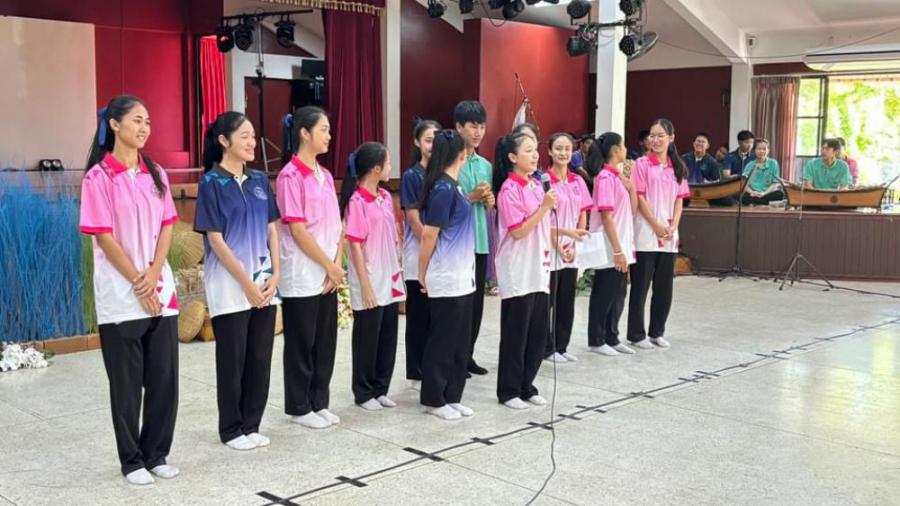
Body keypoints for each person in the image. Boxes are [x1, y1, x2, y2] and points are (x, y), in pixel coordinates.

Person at [80, 95, 180, 485]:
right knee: (126, 384)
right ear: (114, 125)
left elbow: (168, 224)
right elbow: (104, 237)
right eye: (137, 120)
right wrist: (139, 281)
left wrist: (154, 273)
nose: (144, 128)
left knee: (164, 379)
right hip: (121, 294)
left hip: (160, 289)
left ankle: (156, 454)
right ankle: (132, 461)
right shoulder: (98, 178)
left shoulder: (156, 173)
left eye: (148, 122)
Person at [195, 112, 281, 451]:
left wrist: (276, 273)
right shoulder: (211, 183)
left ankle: (251, 424)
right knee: (233, 359)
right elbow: (215, 239)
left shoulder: (259, 180)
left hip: (264, 282)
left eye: (253, 136)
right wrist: (246, 283)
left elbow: (272, 229)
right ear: (224, 141)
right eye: (244, 136)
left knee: (260, 356)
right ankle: (231, 430)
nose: (251, 142)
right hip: (230, 286)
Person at [277, 106, 343, 430]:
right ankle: (299, 406)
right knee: (301, 342)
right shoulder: (290, 176)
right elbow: (298, 230)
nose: (329, 136)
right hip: (303, 272)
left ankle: (319, 401)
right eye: (323, 130)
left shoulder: (325, 175)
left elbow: (337, 225)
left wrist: (336, 265)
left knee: (325, 340)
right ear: (304, 133)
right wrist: (329, 265)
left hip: (328, 272)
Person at [492, 132, 556, 410]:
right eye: (528, 150)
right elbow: (518, 231)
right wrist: (544, 208)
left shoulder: (536, 185)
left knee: (537, 333)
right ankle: (509, 391)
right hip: (518, 268)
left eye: (535, 149)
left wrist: (563, 239)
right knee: (516, 333)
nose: (535, 155)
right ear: (512, 157)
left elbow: (543, 225)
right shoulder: (509, 190)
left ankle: (527, 385)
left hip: (539, 267)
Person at [341, 142, 406, 411]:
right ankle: (363, 391)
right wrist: (365, 285)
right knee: (367, 337)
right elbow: (355, 244)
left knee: (388, 333)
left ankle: (381, 388)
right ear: (376, 169)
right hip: (368, 276)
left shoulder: (385, 197)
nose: (391, 168)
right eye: (388, 163)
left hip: (389, 275)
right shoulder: (357, 202)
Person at [417, 129, 476, 420]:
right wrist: (422, 272)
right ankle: (433, 398)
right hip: (446, 275)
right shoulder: (442, 188)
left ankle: (452, 395)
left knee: (460, 342)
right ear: (461, 154)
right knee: (442, 339)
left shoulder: (456, 187)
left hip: (463, 276)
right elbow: (429, 235)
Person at [627, 119, 689, 350]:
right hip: (646, 232)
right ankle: (636, 334)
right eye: (652, 136)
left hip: (669, 235)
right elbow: (640, 196)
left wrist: (673, 226)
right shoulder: (641, 164)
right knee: (641, 286)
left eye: (660, 136)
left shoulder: (677, 167)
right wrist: (654, 224)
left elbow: (679, 200)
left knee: (664, 287)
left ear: (671, 138)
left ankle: (657, 331)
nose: (655, 140)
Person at [583, 132, 638, 356]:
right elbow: (606, 216)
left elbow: (631, 211)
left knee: (618, 293)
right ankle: (597, 339)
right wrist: (617, 250)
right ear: (616, 149)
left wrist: (630, 187)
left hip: (622, 241)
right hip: (610, 245)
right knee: (604, 292)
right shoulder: (605, 178)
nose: (626, 150)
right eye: (623, 146)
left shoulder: (617, 177)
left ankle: (612, 336)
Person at [543, 133, 591, 364]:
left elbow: (583, 212)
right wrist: (559, 246)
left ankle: (561, 346)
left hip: (572, 248)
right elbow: (545, 219)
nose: (563, 153)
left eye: (567, 149)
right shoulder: (544, 181)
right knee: (548, 301)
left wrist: (575, 242)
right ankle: (546, 348)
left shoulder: (577, 181)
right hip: (551, 247)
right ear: (549, 151)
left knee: (566, 299)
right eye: (558, 148)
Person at [401, 119, 441, 392]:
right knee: (418, 316)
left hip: (442, 256)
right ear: (417, 142)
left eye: (436, 140)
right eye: (428, 140)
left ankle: (433, 366)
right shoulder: (411, 176)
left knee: (436, 317)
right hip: (419, 255)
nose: (432, 145)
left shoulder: (443, 174)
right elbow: (414, 221)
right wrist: (433, 247)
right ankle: (416, 372)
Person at [455, 100, 494, 377]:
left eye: (481, 126)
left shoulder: (486, 165)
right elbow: (448, 203)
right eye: (472, 126)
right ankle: (455, 358)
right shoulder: (450, 162)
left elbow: (489, 208)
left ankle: (468, 354)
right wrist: (472, 196)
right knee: (460, 305)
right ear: (459, 127)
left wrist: (489, 201)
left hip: (481, 241)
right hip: (459, 245)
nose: (478, 132)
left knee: (477, 304)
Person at [741, 138, 784, 205]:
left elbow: (775, 183)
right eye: (759, 149)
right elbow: (744, 184)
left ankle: (757, 202)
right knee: (744, 197)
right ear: (754, 150)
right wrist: (752, 192)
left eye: (764, 149)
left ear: (768, 150)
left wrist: (764, 193)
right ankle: (766, 203)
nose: (761, 151)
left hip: (767, 193)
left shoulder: (773, 163)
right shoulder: (749, 165)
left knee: (779, 194)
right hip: (753, 193)